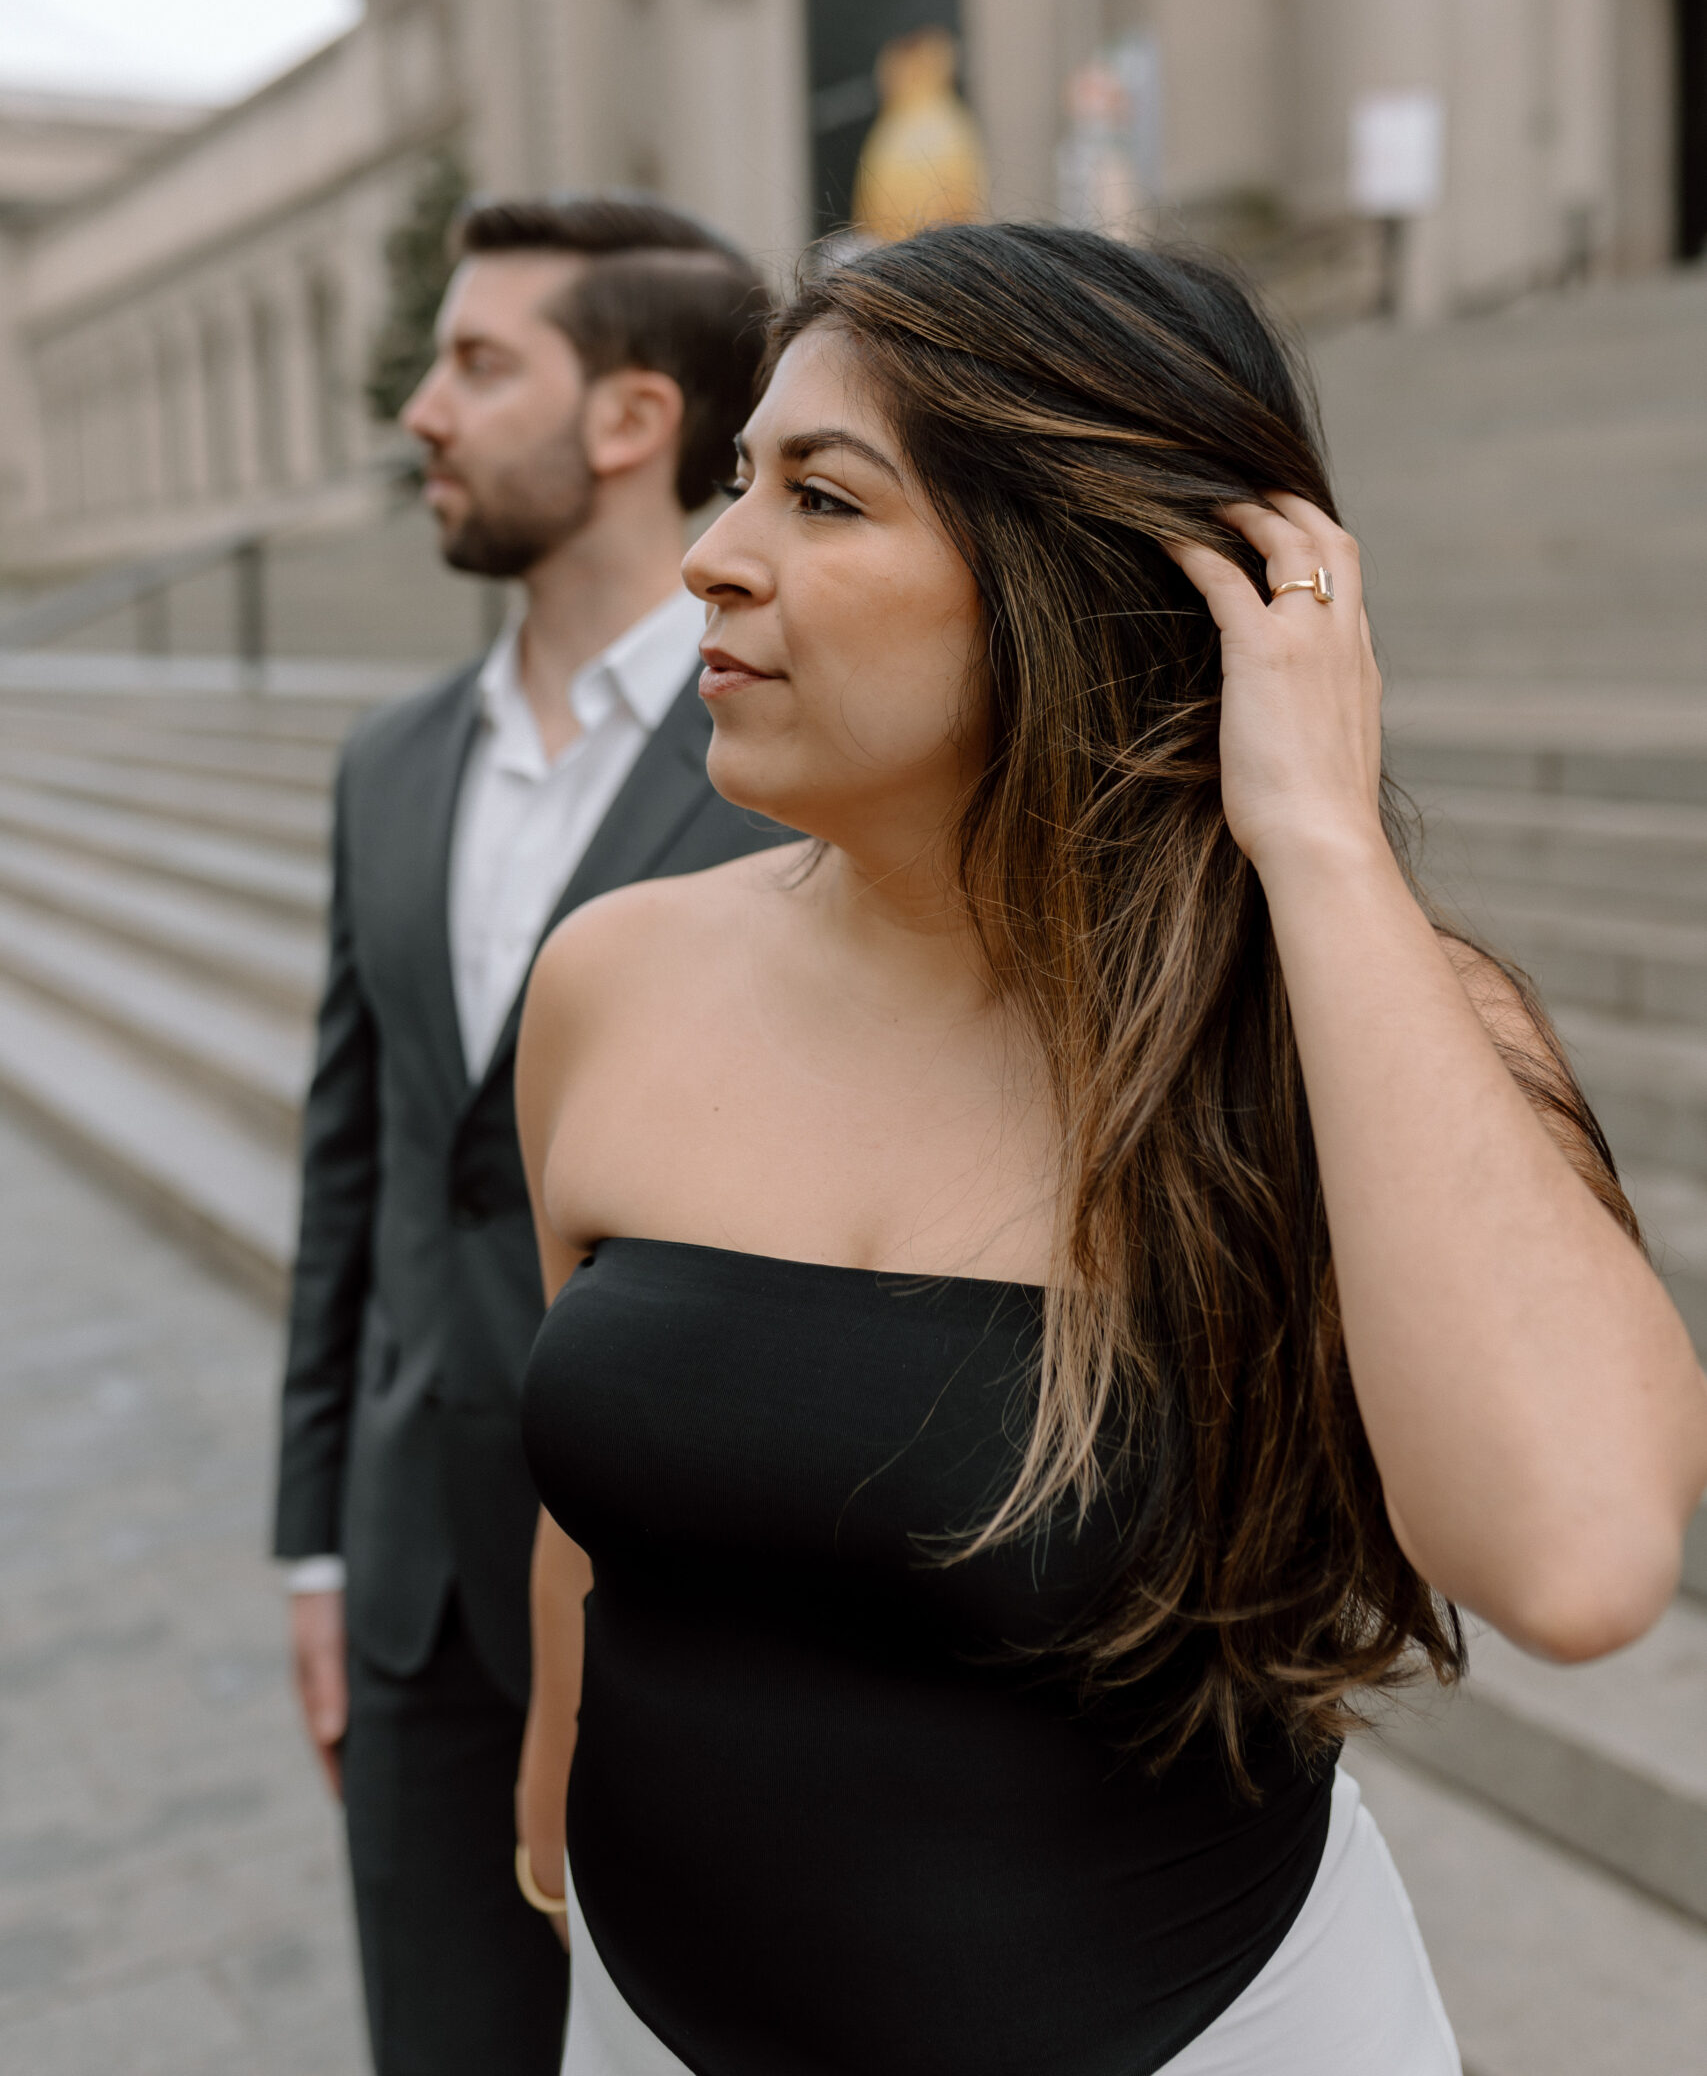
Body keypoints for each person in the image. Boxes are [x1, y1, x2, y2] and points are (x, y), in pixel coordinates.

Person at [513, 223, 1707, 2076]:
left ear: (1070, 576)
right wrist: (548, 1811)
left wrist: (1317, 845)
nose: (710, 559)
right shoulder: (612, 979)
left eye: (824, 499)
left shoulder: (1355, 1020)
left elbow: (1572, 1557)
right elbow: (594, 1513)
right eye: (739, 478)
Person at [273, 194, 793, 2076]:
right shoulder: (387, 764)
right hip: (415, 1600)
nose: (422, 408)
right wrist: (314, 1556)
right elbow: (361, 1178)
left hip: (705, 1618)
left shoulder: (794, 760)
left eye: (477, 363)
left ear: (633, 421)